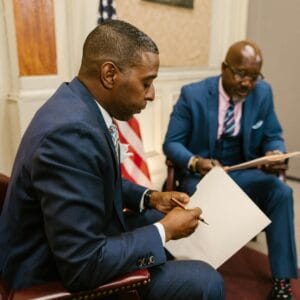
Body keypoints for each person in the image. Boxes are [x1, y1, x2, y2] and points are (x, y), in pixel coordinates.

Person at [0, 20, 224, 300]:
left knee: (157, 216)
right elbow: (82, 266)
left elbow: (94, 179)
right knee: (206, 281)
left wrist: (151, 197)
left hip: (68, 241)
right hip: (47, 275)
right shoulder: (72, 135)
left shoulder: (78, 103)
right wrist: (164, 232)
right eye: (147, 82)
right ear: (109, 74)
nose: (153, 94)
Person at [163, 40, 298, 300]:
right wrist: (195, 162)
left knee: (281, 192)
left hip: (241, 171)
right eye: (240, 73)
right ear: (225, 68)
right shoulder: (193, 95)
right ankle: (193, 274)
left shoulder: (263, 93)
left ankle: (282, 281)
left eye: (254, 76)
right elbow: (172, 143)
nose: (247, 83)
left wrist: (274, 150)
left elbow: (273, 134)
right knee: (194, 196)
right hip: (202, 174)